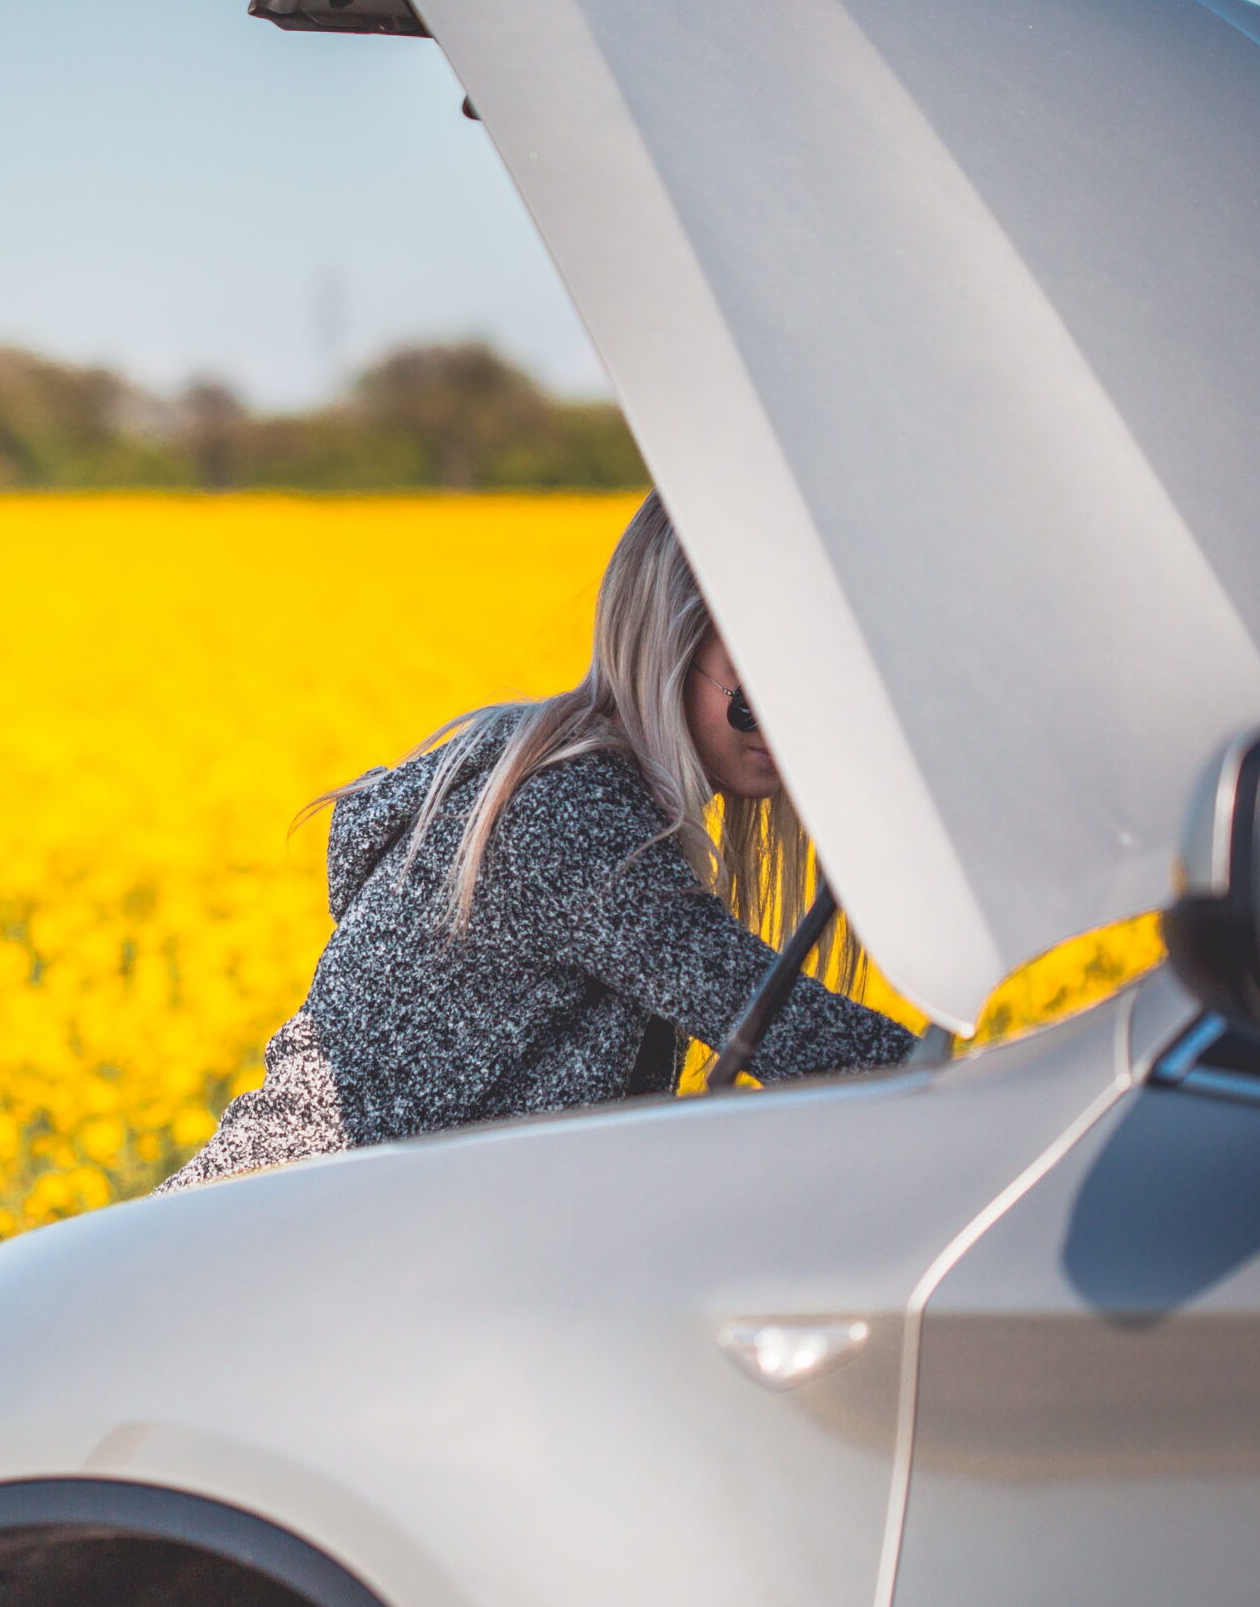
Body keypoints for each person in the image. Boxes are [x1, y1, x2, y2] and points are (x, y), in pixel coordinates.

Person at [159, 491, 916, 1191]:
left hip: (297, 1241)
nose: (785, 732)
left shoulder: (561, 782)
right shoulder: (574, 816)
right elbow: (788, 1030)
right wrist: (982, 1094)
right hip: (262, 1257)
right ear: (667, 651)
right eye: (753, 700)